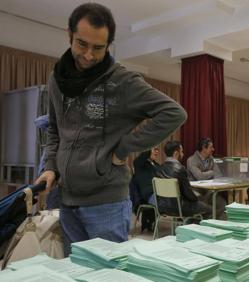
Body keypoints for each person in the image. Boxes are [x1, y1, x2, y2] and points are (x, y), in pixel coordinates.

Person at [34, 3, 187, 256]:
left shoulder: (122, 81)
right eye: (82, 44)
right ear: (69, 34)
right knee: (77, 273)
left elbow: (174, 113)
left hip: (106, 203)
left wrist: (125, 148)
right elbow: (55, 131)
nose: (89, 55)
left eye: (98, 48)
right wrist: (50, 167)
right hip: (67, 200)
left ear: (109, 45)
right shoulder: (56, 79)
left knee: (108, 274)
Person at [156, 141, 212, 217]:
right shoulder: (180, 169)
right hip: (179, 208)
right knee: (209, 209)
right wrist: (197, 198)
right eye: (181, 152)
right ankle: (192, 227)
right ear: (176, 153)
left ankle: (186, 225)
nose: (183, 154)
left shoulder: (159, 168)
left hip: (162, 207)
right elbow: (188, 193)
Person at [186, 137, 226, 217]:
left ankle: (214, 224)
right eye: (211, 147)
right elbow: (200, 176)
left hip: (210, 191)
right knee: (210, 207)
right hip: (196, 193)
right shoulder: (191, 160)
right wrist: (211, 172)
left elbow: (219, 174)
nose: (213, 149)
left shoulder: (211, 159)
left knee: (222, 204)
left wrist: (208, 174)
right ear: (204, 148)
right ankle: (204, 223)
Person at [131, 147, 160, 232]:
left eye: (157, 149)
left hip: (158, 192)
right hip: (147, 196)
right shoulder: (139, 163)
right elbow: (142, 157)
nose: (157, 151)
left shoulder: (156, 165)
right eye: (154, 149)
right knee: (169, 202)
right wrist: (148, 146)